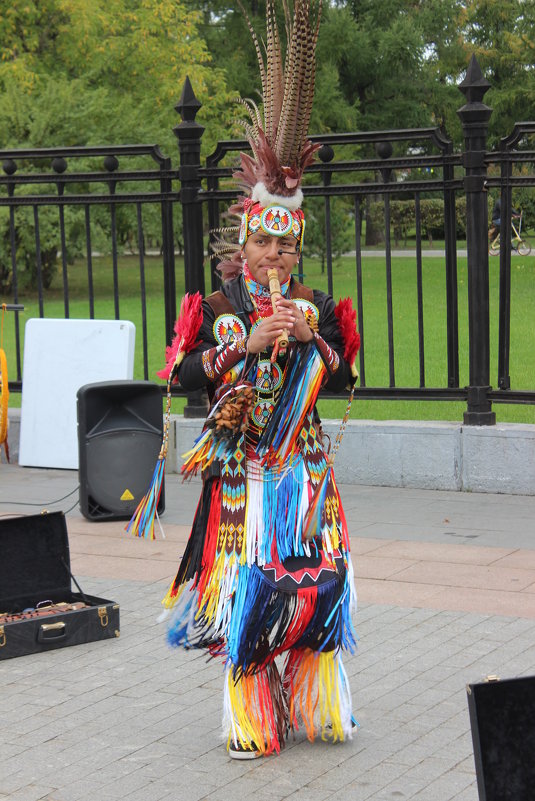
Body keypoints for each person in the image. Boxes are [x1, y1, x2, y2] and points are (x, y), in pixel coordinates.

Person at [157, 0, 360, 760]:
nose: (274, 259)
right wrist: (239, 352)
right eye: (262, 245)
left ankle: (316, 703)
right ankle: (251, 714)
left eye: (285, 247)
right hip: (246, 476)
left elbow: (343, 380)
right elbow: (180, 374)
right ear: (242, 240)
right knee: (252, 590)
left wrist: (311, 342)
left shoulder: (313, 306)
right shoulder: (216, 306)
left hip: (305, 471)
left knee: (320, 584)